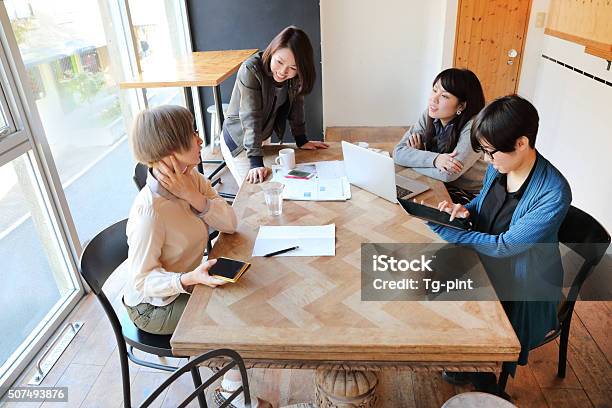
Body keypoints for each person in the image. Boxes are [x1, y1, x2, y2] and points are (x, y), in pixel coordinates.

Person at [125, 105, 270, 408]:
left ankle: (231, 381)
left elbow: (230, 223)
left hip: (188, 279)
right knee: (230, 315)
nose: (200, 139)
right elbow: (141, 282)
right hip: (153, 306)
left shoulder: (191, 178)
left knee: (249, 297)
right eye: (191, 133)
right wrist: (187, 279)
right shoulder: (149, 210)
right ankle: (229, 395)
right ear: (169, 149)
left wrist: (193, 197)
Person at [430, 95, 572, 392]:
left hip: (524, 281)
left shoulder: (553, 192)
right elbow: (484, 202)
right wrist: (465, 211)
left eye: (490, 152)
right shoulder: (501, 166)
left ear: (521, 143)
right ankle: (465, 356)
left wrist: (449, 232)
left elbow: (505, 246)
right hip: (487, 259)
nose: (486, 160)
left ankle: (483, 372)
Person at [221, 26, 328, 185]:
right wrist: (256, 161)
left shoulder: (294, 77)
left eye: (293, 68)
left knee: (273, 186)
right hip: (240, 140)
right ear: (272, 51)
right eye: (279, 61)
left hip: (261, 137)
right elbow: (251, 117)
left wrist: (301, 140)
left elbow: (296, 107)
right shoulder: (251, 69)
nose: (284, 72)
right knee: (255, 191)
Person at [393, 68, 486, 204]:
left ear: (461, 105)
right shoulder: (429, 114)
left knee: (417, 207)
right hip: (438, 182)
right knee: (398, 198)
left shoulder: (475, 127)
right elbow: (398, 153)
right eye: (435, 90)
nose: (433, 99)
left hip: (471, 194)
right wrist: (435, 160)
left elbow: (448, 174)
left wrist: (413, 159)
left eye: (445, 96)